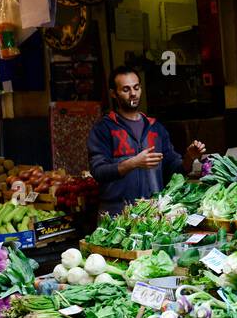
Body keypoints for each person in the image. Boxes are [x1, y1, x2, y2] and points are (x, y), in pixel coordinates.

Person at [88, 65, 205, 215]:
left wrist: (189, 157)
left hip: (152, 213)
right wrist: (133, 163)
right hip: (116, 214)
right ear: (113, 93)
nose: (133, 94)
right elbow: (98, 171)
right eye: (126, 90)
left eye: (136, 88)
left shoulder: (156, 128)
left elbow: (174, 169)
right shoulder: (103, 128)